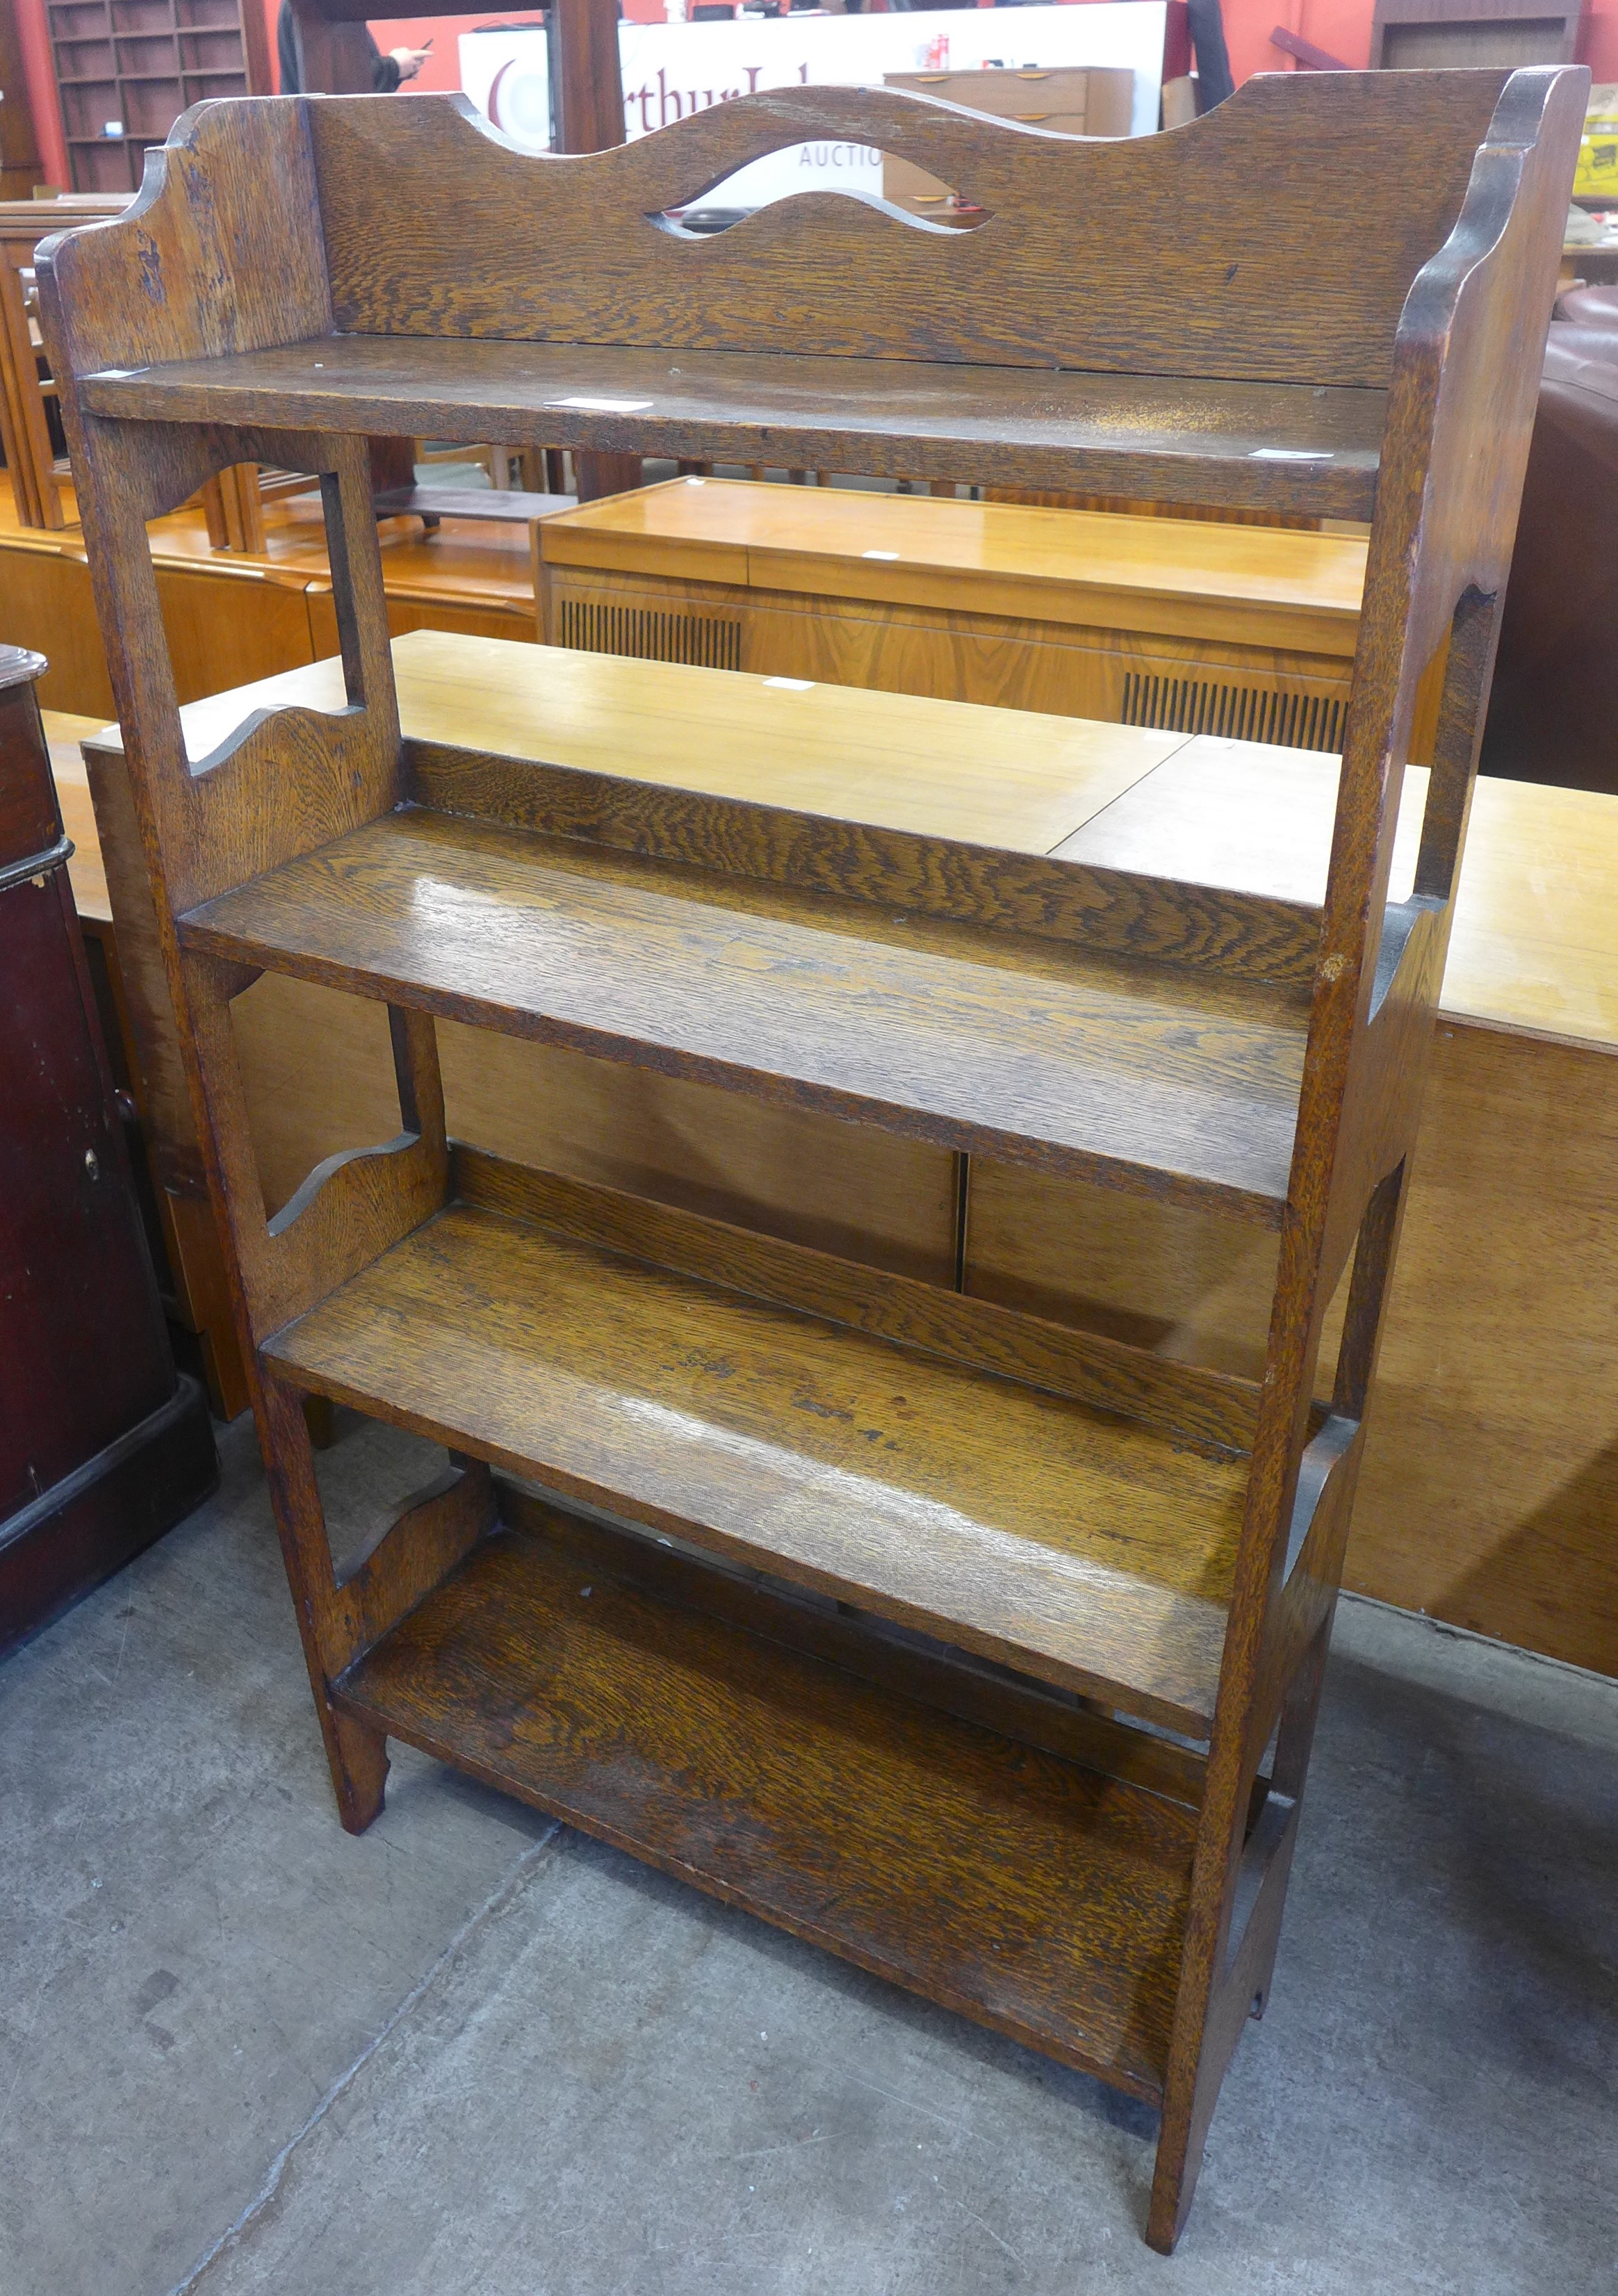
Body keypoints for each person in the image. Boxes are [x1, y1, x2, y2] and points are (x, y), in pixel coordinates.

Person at [276, 2, 429, 92]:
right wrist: (395, 66)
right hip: (327, 134)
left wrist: (397, 68)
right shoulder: (323, 6)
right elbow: (341, 84)